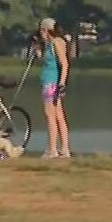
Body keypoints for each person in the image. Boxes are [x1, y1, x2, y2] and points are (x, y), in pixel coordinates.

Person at [36, 17, 71, 159]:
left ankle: (52, 150)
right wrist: (37, 47)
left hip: (52, 83)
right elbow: (43, 60)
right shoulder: (49, 44)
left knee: (50, 115)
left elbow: (65, 64)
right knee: (57, 116)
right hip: (48, 81)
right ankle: (64, 149)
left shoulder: (57, 42)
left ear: (46, 30)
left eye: (42, 31)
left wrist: (61, 84)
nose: (41, 33)